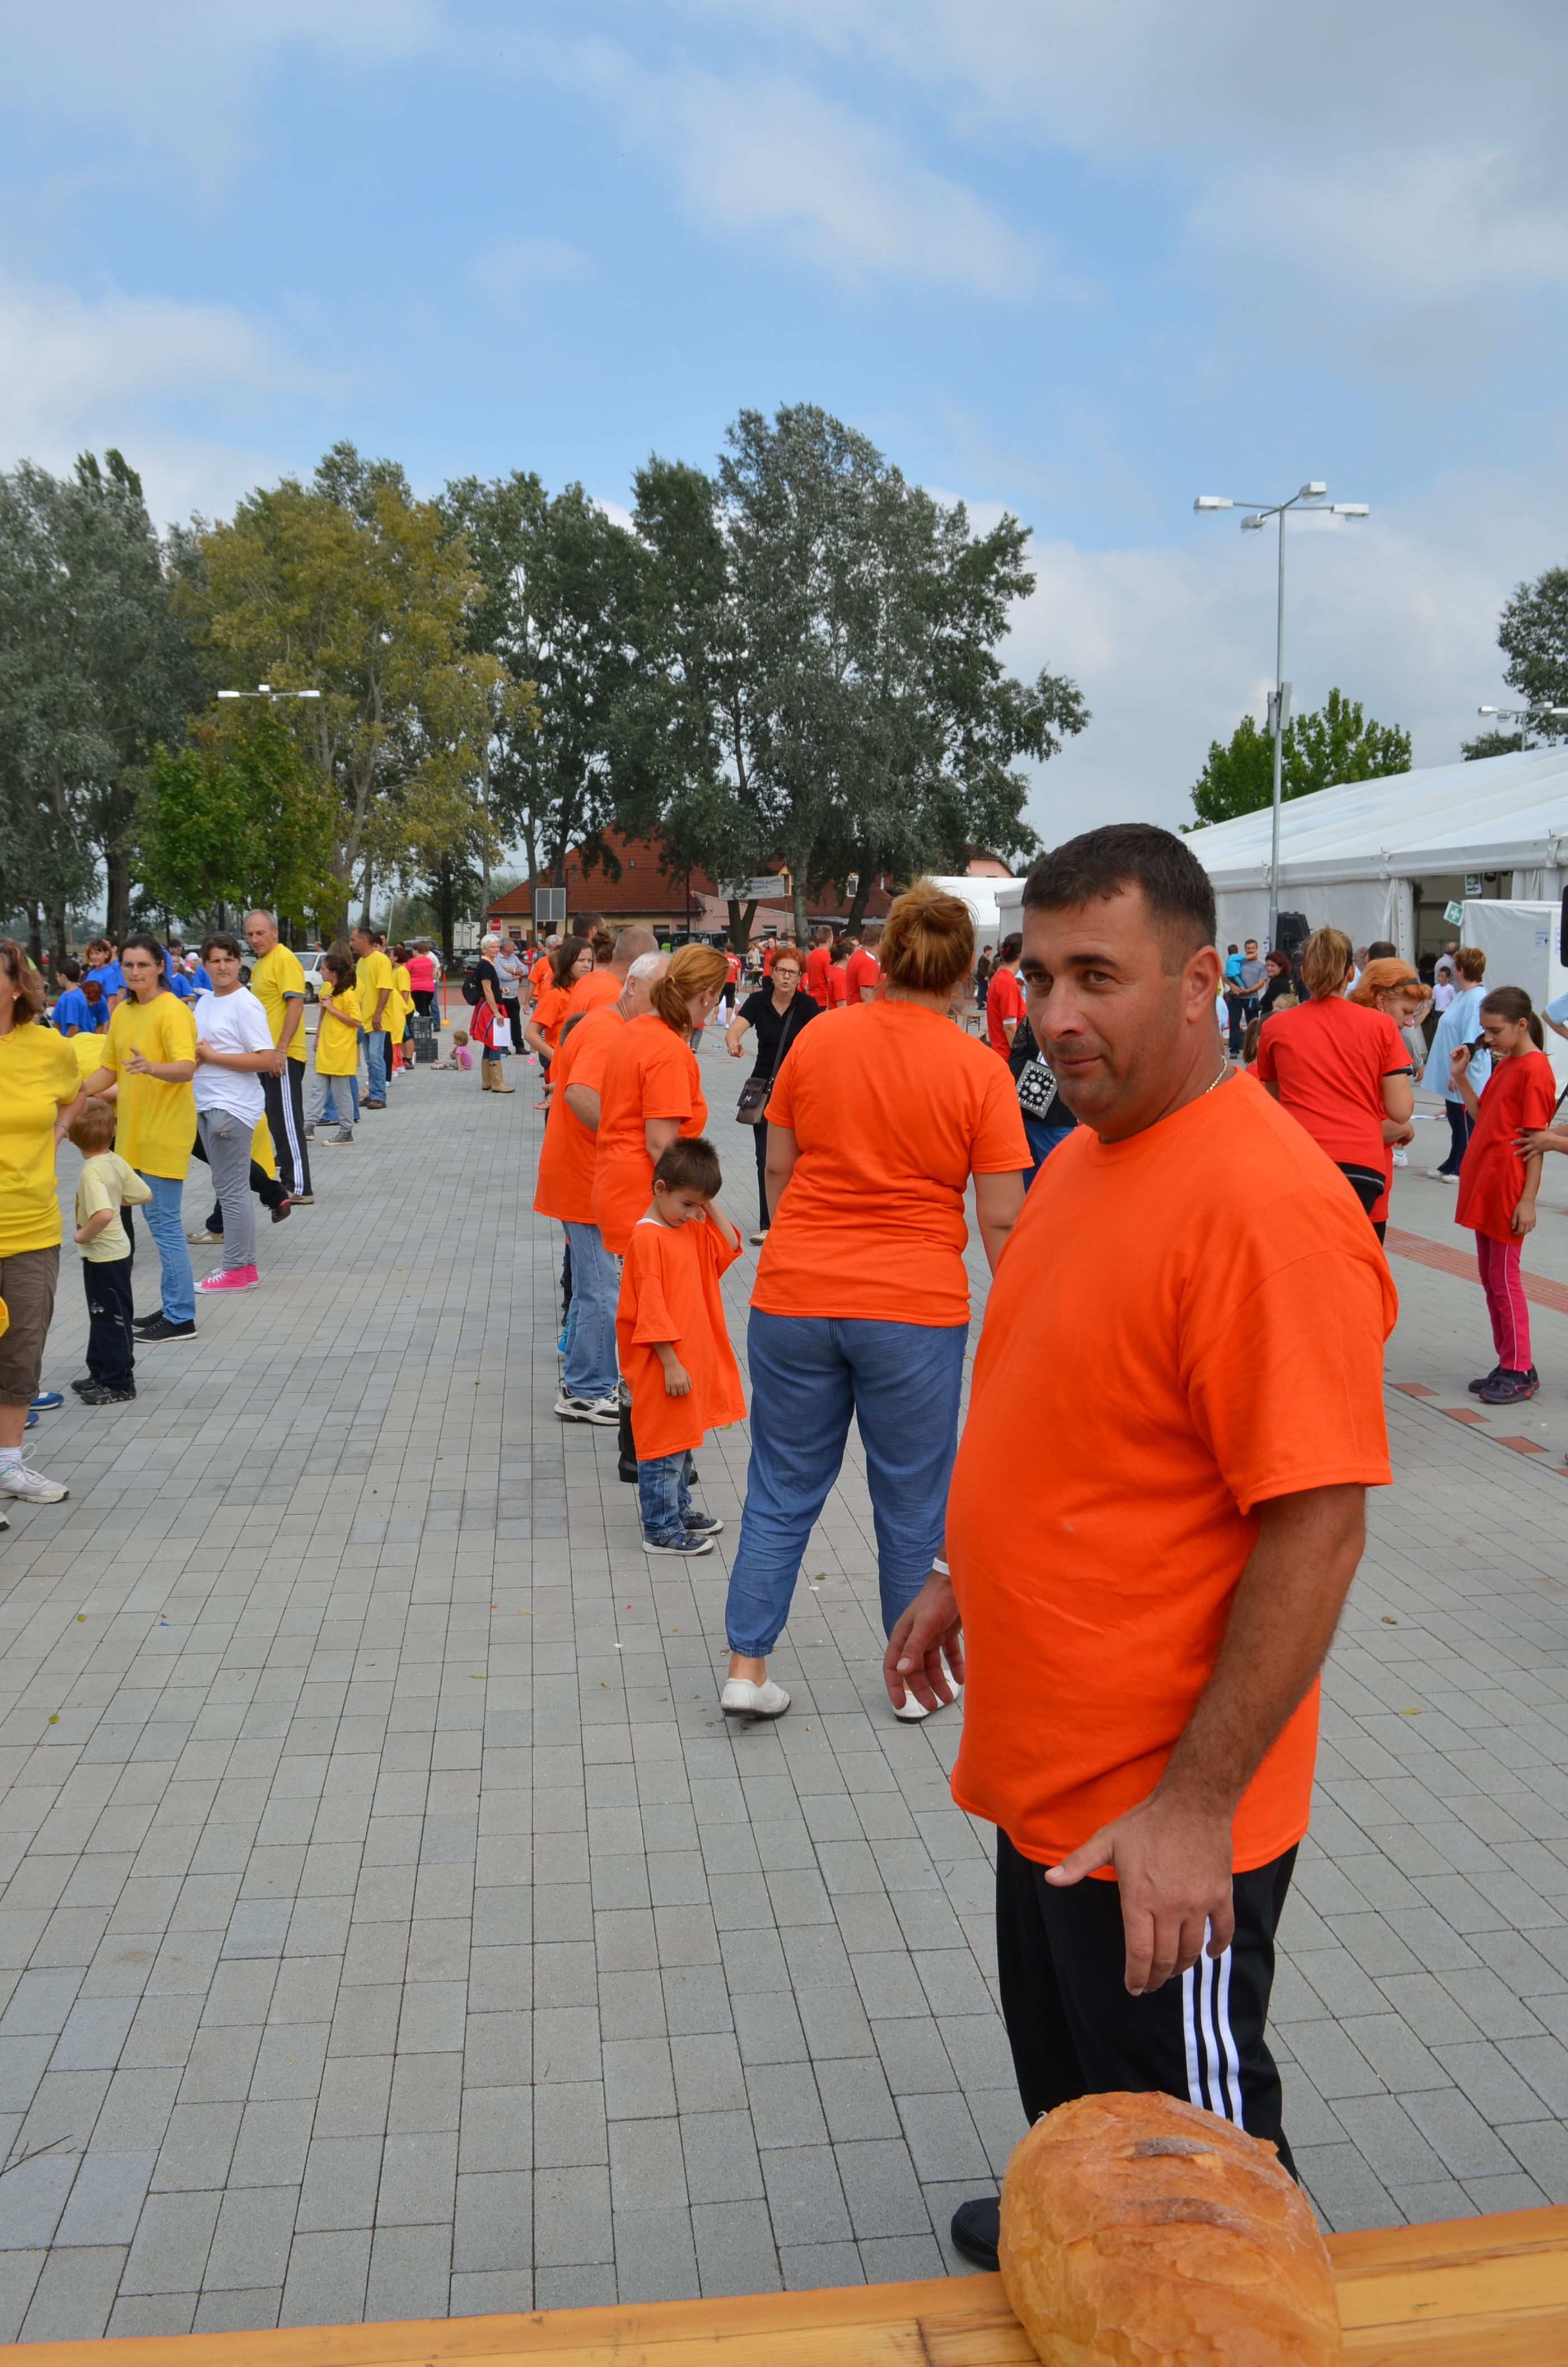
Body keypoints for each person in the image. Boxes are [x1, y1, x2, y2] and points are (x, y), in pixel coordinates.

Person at [875, 827, 1393, 2273]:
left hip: (1155, 1816)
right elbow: (1063, 1408)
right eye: (1038, 975)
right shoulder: (1092, 1155)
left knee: (1208, 2186)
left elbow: (1318, 1528)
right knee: (1075, 2095)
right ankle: (1078, 2228)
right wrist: (960, 1572)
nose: (1054, 1015)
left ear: (1201, 981)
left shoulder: (1265, 1206)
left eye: (1096, 976)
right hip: (1048, 1777)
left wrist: (1193, 1807)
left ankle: (1201, 2294)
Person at [721, 883, 1028, 1722]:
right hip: (913, 1307)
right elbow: (1001, 1214)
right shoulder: (979, 1069)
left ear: (883, 959)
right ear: (965, 974)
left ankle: (747, 1665)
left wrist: (802, 1242)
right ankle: (913, 1678)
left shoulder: (820, 1037)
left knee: (781, 1483)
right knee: (913, 1496)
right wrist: (1024, 1312)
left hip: (795, 1294)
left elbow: (778, 1164)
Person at [535, 936, 664, 1425]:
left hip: (587, 1175)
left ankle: (584, 1376)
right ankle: (586, 1389)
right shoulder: (609, 1029)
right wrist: (625, 1138)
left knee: (596, 1283)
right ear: (631, 986)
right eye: (658, 994)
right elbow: (579, 1094)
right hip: (584, 1177)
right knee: (600, 1289)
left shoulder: (613, 1024)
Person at [618, 1137, 744, 1557]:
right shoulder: (648, 1238)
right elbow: (650, 1309)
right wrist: (670, 1361)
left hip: (685, 1358)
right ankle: (660, 1528)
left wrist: (704, 1203)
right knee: (663, 1447)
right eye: (688, 1204)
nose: (694, 1214)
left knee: (682, 1441)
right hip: (663, 1362)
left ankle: (680, 1510)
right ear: (660, 1189)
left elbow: (729, 1245)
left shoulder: (686, 1227)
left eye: (699, 1206)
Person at [1254, 930, 1413, 1241]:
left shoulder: (1274, 1028)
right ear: (1351, 973)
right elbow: (1400, 1110)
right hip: (1361, 1165)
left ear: (1304, 974)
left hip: (1299, 1160)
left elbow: (1275, 1100)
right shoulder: (1381, 1025)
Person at [82, 932, 198, 1344]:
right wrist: (76, 1091)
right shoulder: (124, 1013)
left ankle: (181, 1317)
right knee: (156, 1224)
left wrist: (151, 1067)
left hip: (165, 1132)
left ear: (160, 967)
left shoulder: (173, 1011)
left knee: (165, 1225)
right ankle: (173, 1305)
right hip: (133, 1133)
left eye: (143, 965)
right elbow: (108, 1070)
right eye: (128, 965)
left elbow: (186, 1067)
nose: (135, 972)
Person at [0, 936, 83, 1506]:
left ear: (16, 986)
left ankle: (8, 1466)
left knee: (22, 1348)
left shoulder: (48, 1047)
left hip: (31, 1225)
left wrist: (58, 1132)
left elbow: (74, 1094)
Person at [1450, 987, 1555, 1405]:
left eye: (1495, 1031)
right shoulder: (1509, 1063)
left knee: (1505, 1279)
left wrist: (1528, 1200)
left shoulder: (1534, 1069)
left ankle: (1519, 1367)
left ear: (1521, 1025)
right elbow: (1485, 1116)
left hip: (1508, 1188)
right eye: (1485, 1031)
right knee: (1491, 1277)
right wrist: (1461, 1077)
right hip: (1488, 1184)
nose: (1488, 1039)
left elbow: (1536, 1143)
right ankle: (1509, 1359)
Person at [186, 933, 279, 1293]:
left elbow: (266, 1059)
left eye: (228, 959)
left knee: (233, 1191)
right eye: (215, 960)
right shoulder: (207, 1002)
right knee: (228, 1188)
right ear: (205, 965)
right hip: (208, 1103)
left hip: (232, 1107)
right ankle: (242, 1267)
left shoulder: (245, 1004)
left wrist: (213, 1057)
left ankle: (238, 1268)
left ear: (239, 963)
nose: (222, 967)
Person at [726, 944, 821, 1244]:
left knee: (801, 1156)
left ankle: (798, 1217)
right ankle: (769, 1224)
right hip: (766, 1089)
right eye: (781, 971)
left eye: (793, 973)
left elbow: (821, 1041)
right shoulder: (758, 1001)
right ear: (772, 972)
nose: (786, 977)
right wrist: (733, 1041)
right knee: (765, 1158)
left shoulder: (807, 1006)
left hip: (799, 1089)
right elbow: (736, 1029)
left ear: (801, 978)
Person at [69, 1095, 150, 1403]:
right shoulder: (115, 1160)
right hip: (115, 1252)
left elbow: (102, 1215)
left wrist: (82, 1235)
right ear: (113, 1131)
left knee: (110, 1318)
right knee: (102, 1313)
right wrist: (115, 1200)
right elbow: (144, 1195)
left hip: (104, 1254)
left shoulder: (91, 1172)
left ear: (71, 1137)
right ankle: (100, 1370)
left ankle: (119, 1382)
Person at [243, 909, 312, 1206]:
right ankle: (288, 1179)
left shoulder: (284, 959)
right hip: (265, 1055)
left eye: (260, 933)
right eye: (250, 934)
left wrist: (281, 1049)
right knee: (275, 1121)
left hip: (282, 1056)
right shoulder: (262, 964)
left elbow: (296, 1006)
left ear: (275, 933)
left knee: (287, 1121)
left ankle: (300, 1186)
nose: (255, 939)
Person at [1424, 947, 1490, 1177]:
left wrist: (1458, 1073)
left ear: (1461, 971)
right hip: (1454, 1069)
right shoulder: (1463, 995)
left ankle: (1463, 1166)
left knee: (1464, 1120)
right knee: (1455, 1119)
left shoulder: (1476, 998)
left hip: (1466, 1073)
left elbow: (1471, 1040)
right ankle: (1453, 1161)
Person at [306, 945, 362, 1141]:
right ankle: (308, 1125)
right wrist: (318, 1037)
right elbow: (323, 1017)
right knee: (317, 1089)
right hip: (327, 1048)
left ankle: (346, 1131)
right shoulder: (329, 991)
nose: (320, 972)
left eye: (323, 969)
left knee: (341, 1094)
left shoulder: (348, 994)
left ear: (333, 972)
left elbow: (356, 1021)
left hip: (341, 1050)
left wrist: (332, 1008)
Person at [525, 937, 592, 1075]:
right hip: (561, 1071)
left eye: (590, 961)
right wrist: (558, 1058)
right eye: (581, 960)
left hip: (583, 1066)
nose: (586, 965)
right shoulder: (555, 995)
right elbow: (530, 1034)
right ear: (568, 962)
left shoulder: (587, 990)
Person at [351, 923, 395, 1107]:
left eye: (353, 940)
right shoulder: (361, 963)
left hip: (377, 1019)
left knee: (376, 1057)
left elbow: (385, 988)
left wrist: (378, 1013)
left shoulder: (380, 960)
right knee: (369, 1059)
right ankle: (371, 1092)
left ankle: (379, 1096)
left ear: (363, 940)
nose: (351, 943)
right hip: (364, 1019)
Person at [470, 934, 515, 1093]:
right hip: (490, 1008)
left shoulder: (487, 964)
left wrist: (500, 990)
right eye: (493, 947)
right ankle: (497, 1082)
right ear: (485, 949)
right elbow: (487, 990)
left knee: (489, 1043)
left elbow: (490, 989)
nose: (496, 950)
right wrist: (496, 1012)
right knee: (496, 1042)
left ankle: (487, 1081)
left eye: (497, 947)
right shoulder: (486, 966)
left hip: (488, 1006)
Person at [985, 934, 1026, 1057]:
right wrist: (1020, 1057)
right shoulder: (1007, 982)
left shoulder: (1000, 977)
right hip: (1008, 1055)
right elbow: (1009, 1027)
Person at [494, 935, 526, 1051]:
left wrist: (512, 971)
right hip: (502, 997)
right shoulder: (497, 959)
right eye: (512, 946)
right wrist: (518, 976)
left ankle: (519, 1046)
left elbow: (526, 970)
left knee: (516, 1022)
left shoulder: (514, 957)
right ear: (506, 947)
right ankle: (504, 1047)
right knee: (503, 1022)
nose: (515, 948)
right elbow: (503, 976)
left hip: (514, 996)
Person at [51, 960, 95, 1038]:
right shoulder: (71, 995)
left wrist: (64, 1042)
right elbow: (57, 1024)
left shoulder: (72, 999)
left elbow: (74, 1028)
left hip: (79, 1043)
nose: (57, 979)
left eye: (57, 976)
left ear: (63, 976)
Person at [845, 923, 882, 1005]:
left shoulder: (857, 956)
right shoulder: (867, 962)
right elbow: (867, 997)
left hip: (854, 1008)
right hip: (863, 1011)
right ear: (880, 941)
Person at [1257, 947, 1298, 1017]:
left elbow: (1276, 1009)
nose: (1269, 968)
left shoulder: (1276, 983)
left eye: (1272, 966)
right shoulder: (1289, 978)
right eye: (1267, 965)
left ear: (1281, 967)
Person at [407, 941, 438, 1023]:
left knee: (420, 1008)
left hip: (417, 988)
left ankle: (424, 1025)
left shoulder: (412, 962)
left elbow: (406, 974)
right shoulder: (429, 961)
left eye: (413, 950)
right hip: (430, 988)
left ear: (416, 951)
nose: (412, 952)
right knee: (426, 1007)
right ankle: (428, 1023)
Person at [804, 929, 834, 1011]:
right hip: (824, 1002)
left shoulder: (810, 956)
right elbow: (831, 981)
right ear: (830, 939)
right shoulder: (828, 957)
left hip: (811, 999)